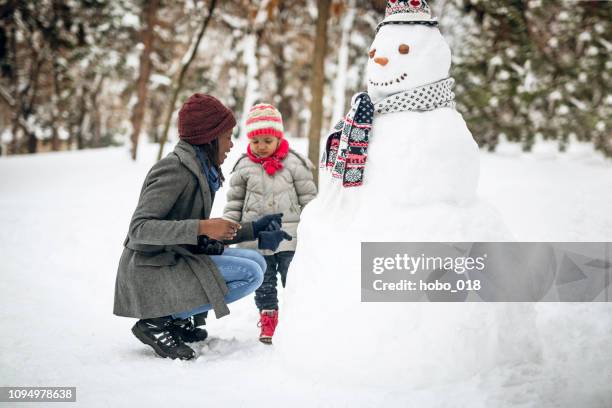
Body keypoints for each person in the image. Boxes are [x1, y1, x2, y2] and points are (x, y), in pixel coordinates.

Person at [113, 94, 291, 360]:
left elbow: (203, 231)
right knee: (250, 273)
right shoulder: (174, 169)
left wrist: (254, 230)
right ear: (209, 137)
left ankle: (174, 319)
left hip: (175, 258)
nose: (231, 145)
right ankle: (157, 321)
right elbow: (140, 229)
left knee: (257, 261)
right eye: (227, 136)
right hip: (151, 270)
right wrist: (201, 227)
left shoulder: (200, 168)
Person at [223, 103, 317, 344]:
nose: (261, 146)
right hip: (256, 237)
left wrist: (314, 228)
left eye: (267, 140)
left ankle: (299, 317)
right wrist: (229, 227)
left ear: (278, 137)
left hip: (289, 235)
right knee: (264, 282)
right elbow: (234, 202)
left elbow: (309, 200)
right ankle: (268, 317)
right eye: (256, 142)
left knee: (292, 277)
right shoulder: (243, 166)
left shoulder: (296, 164)